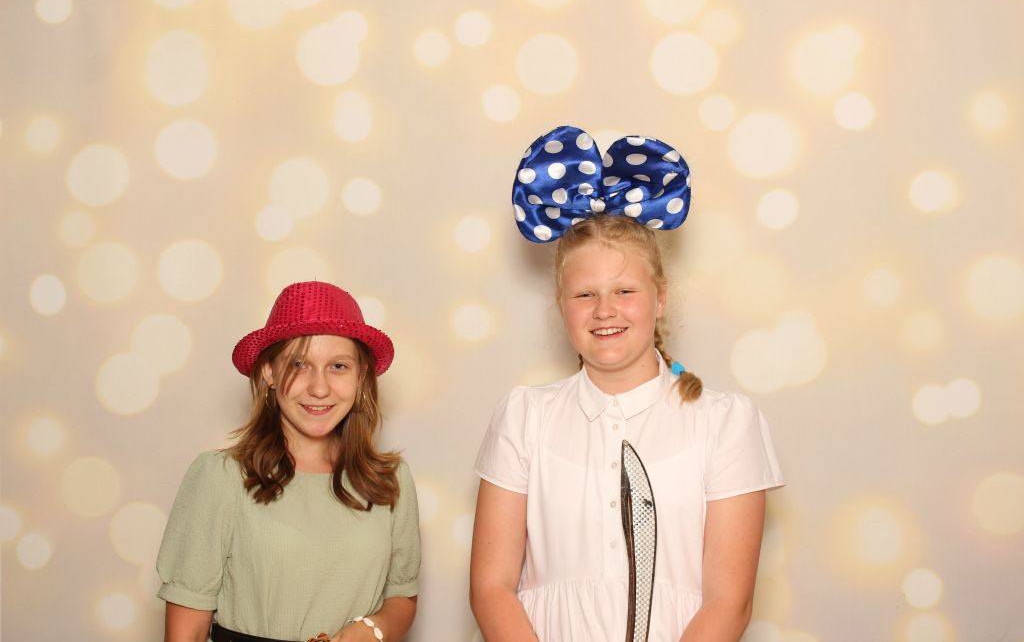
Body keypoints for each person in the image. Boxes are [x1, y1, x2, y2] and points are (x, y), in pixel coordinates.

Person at [470, 126, 784, 641]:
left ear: (660, 299)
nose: (605, 310)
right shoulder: (525, 417)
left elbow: (729, 601)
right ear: (561, 306)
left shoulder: (724, 423)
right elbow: (491, 587)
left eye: (624, 291)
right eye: (584, 295)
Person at [157, 281, 420, 642]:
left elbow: (401, 595)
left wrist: (374, 629)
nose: (319, 388)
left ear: (361, 375)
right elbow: (187, 629)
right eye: (299, 364)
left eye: (338, 366)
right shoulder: (220, 476)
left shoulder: (391, 480)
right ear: (269, 372)